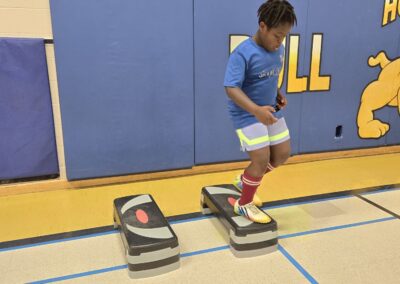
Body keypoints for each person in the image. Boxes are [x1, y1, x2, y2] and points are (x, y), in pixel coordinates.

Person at [223, 0, 297, 223]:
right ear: (262, 26)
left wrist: (277, 94)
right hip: (247, 114)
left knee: (282, 154)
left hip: (269, 111)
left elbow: (268, 77)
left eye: (284, 37)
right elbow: (231, 88)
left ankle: (244, 180)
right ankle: (244, 204)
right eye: (277, 35)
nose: (280, 41)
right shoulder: (243, 53)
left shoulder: (279, 50)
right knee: (261, 159)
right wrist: (255, 110)